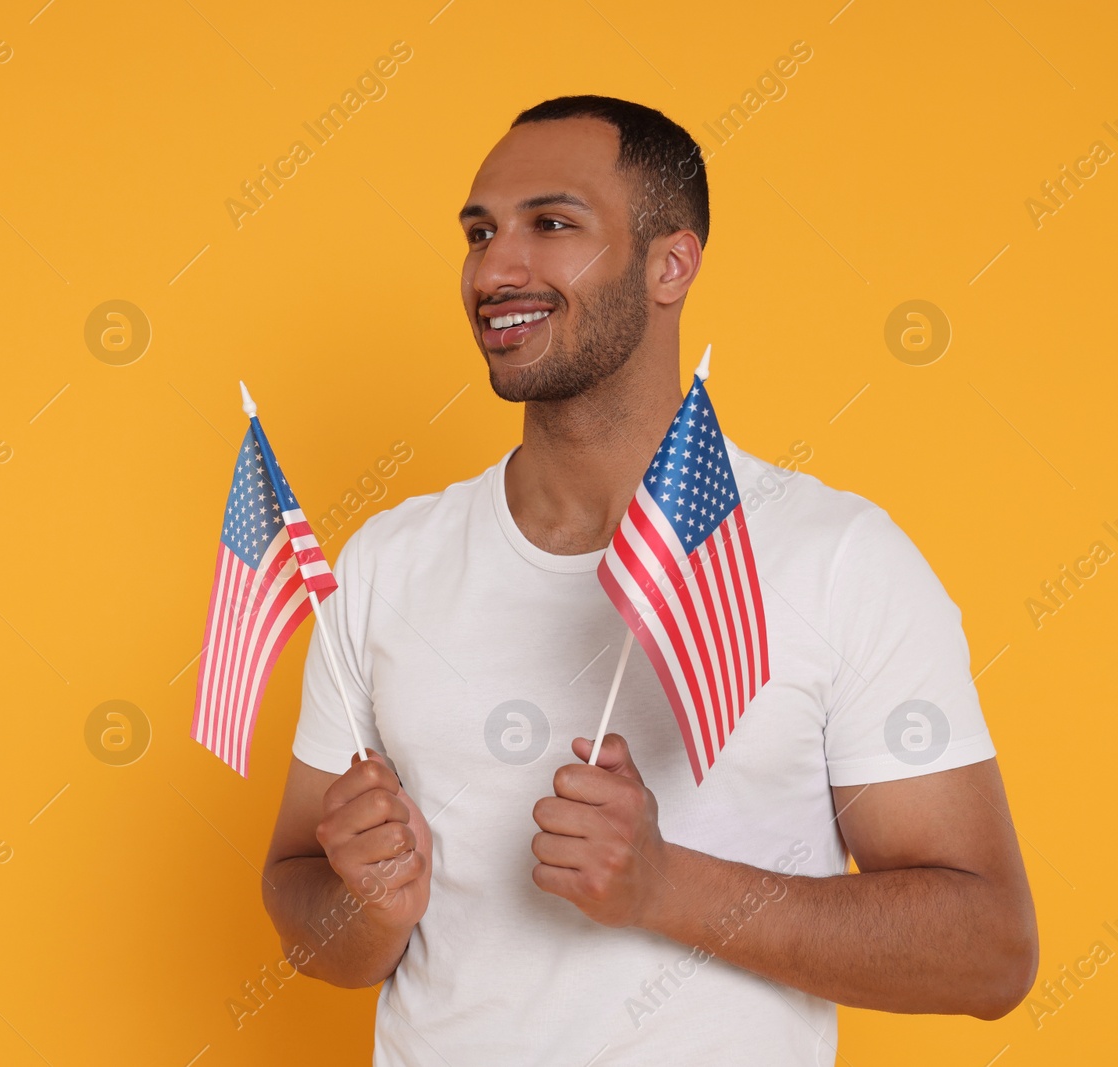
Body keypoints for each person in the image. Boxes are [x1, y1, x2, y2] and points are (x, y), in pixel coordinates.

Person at [260, 94, 1037, 1065]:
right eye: (478, 232)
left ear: (671, 262)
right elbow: (299, 893)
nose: (495, 268)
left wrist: (665, 887)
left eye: (551, 224)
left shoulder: (839, 558)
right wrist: (367, 911)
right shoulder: (385, 561)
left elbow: (989, 950)